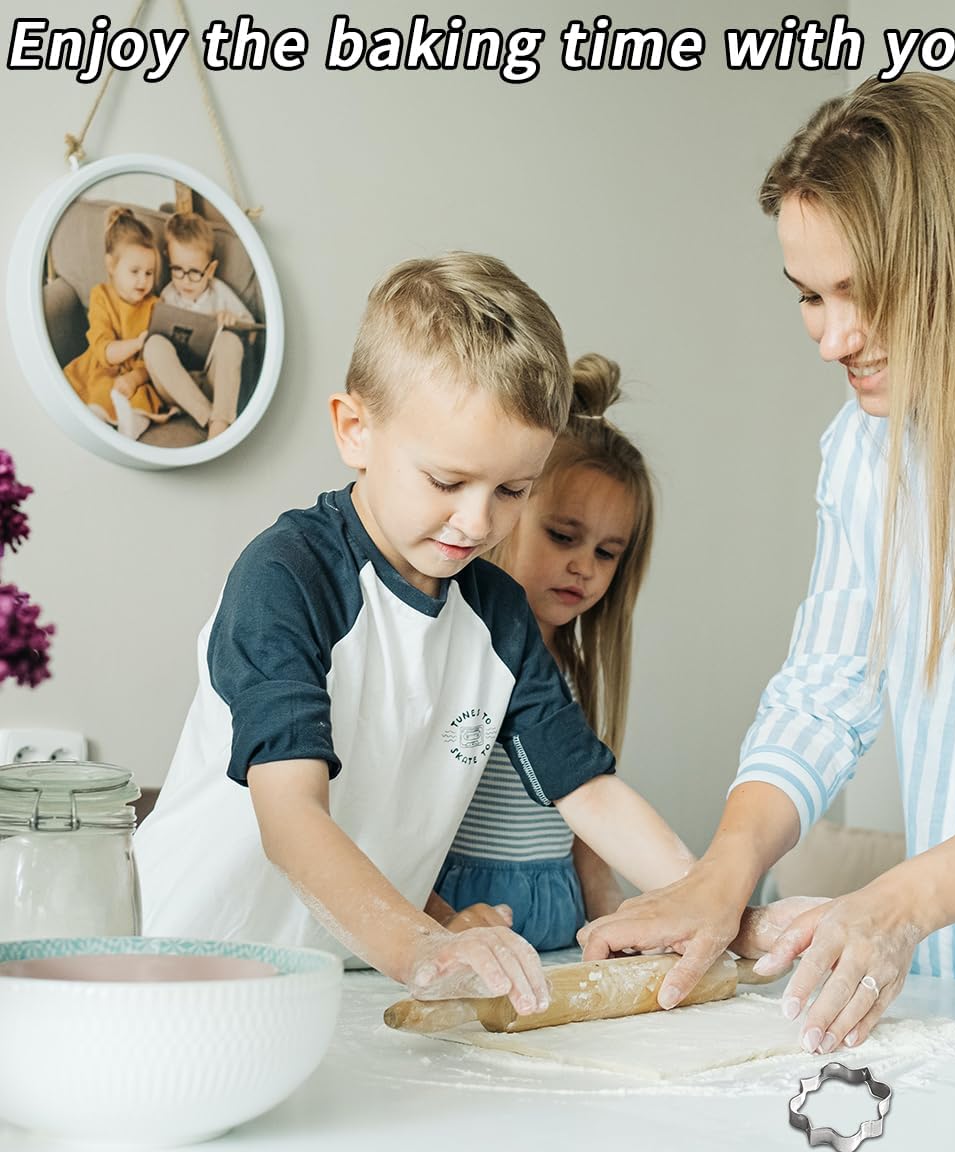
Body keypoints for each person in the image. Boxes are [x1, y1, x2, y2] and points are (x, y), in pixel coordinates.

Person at [580, 74, 955, 1059]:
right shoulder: (862, 450)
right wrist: (721, 873)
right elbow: (823, 695)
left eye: (862, 293)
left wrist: (897, 905)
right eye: (809, 296)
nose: (833, 338)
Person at [135, 253, 695, 1015]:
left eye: (513, 490)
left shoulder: (497, 614)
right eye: (447, 481)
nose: (478, 520)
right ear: (355, 429)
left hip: (353, 977)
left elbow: (588, 792)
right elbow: (292, 816)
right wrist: (424, 948)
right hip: (194, 967)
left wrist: (711, 905)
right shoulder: (288, 577)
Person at [427, 353, 653, 949]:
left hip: (560, 922)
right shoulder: (463, 659)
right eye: (563, 536)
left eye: (606, 553)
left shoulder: (574, 673)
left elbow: (585, 817)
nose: (584, 566)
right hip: (466, 915)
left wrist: (611, 909)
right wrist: (438, 921)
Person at [63, 206, 175, 441]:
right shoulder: (101, 296)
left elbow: (154, 362)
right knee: (102, 388)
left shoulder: (155, 305)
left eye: (149, 273)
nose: (143, 281)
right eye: (135, 271)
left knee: (143, 397)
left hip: (139, 374)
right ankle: (97, 419)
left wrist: (135, 378)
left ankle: (131, 423)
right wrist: (136, 344)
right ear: (111, 266)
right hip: (103, 366)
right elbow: (104, 351)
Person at [142, 211, 254, 442]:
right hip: (177, 388)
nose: (185, 280)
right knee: (153, 345)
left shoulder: (219, 292)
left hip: (213, 383)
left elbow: (253, 332)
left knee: (230, 341)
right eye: (177, 270)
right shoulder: (167, 294)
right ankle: (208, 416)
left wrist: (232, 320)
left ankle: (220, 422)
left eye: (194, 272)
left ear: (210, 270)